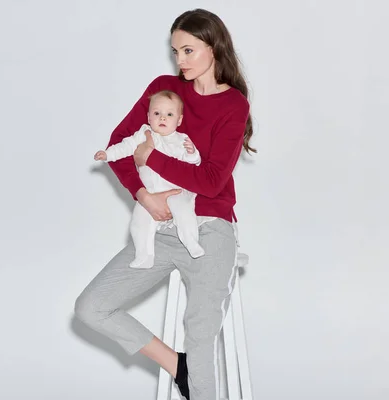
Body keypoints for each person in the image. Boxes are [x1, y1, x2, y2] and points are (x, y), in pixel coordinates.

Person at [75, 8, 255, 400]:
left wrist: (150, 156)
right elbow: (119, 147)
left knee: (200, 327)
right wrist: (143, 195)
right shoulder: (165, 89)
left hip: (210, 228)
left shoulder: (233, 105)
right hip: (158, 227)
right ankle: (179, 367)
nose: (181, 61)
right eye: (176, 52)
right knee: (91, 307)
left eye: (189, 50)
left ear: (214, 47)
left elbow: (211, 181)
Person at [94, 90, 205, 269]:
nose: (162, 118)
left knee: (184, 212)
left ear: (179, 120)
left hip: (176, 191)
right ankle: (144, 255)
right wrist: (108, 154)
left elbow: (194, 163)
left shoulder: (182, 139)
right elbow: (125, 146)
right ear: (148, 117)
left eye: (169, 114)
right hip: (151, 194)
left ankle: (191, 242)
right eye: (157, 113)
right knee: (139, 222)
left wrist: (192, 154)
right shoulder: (143, 134)